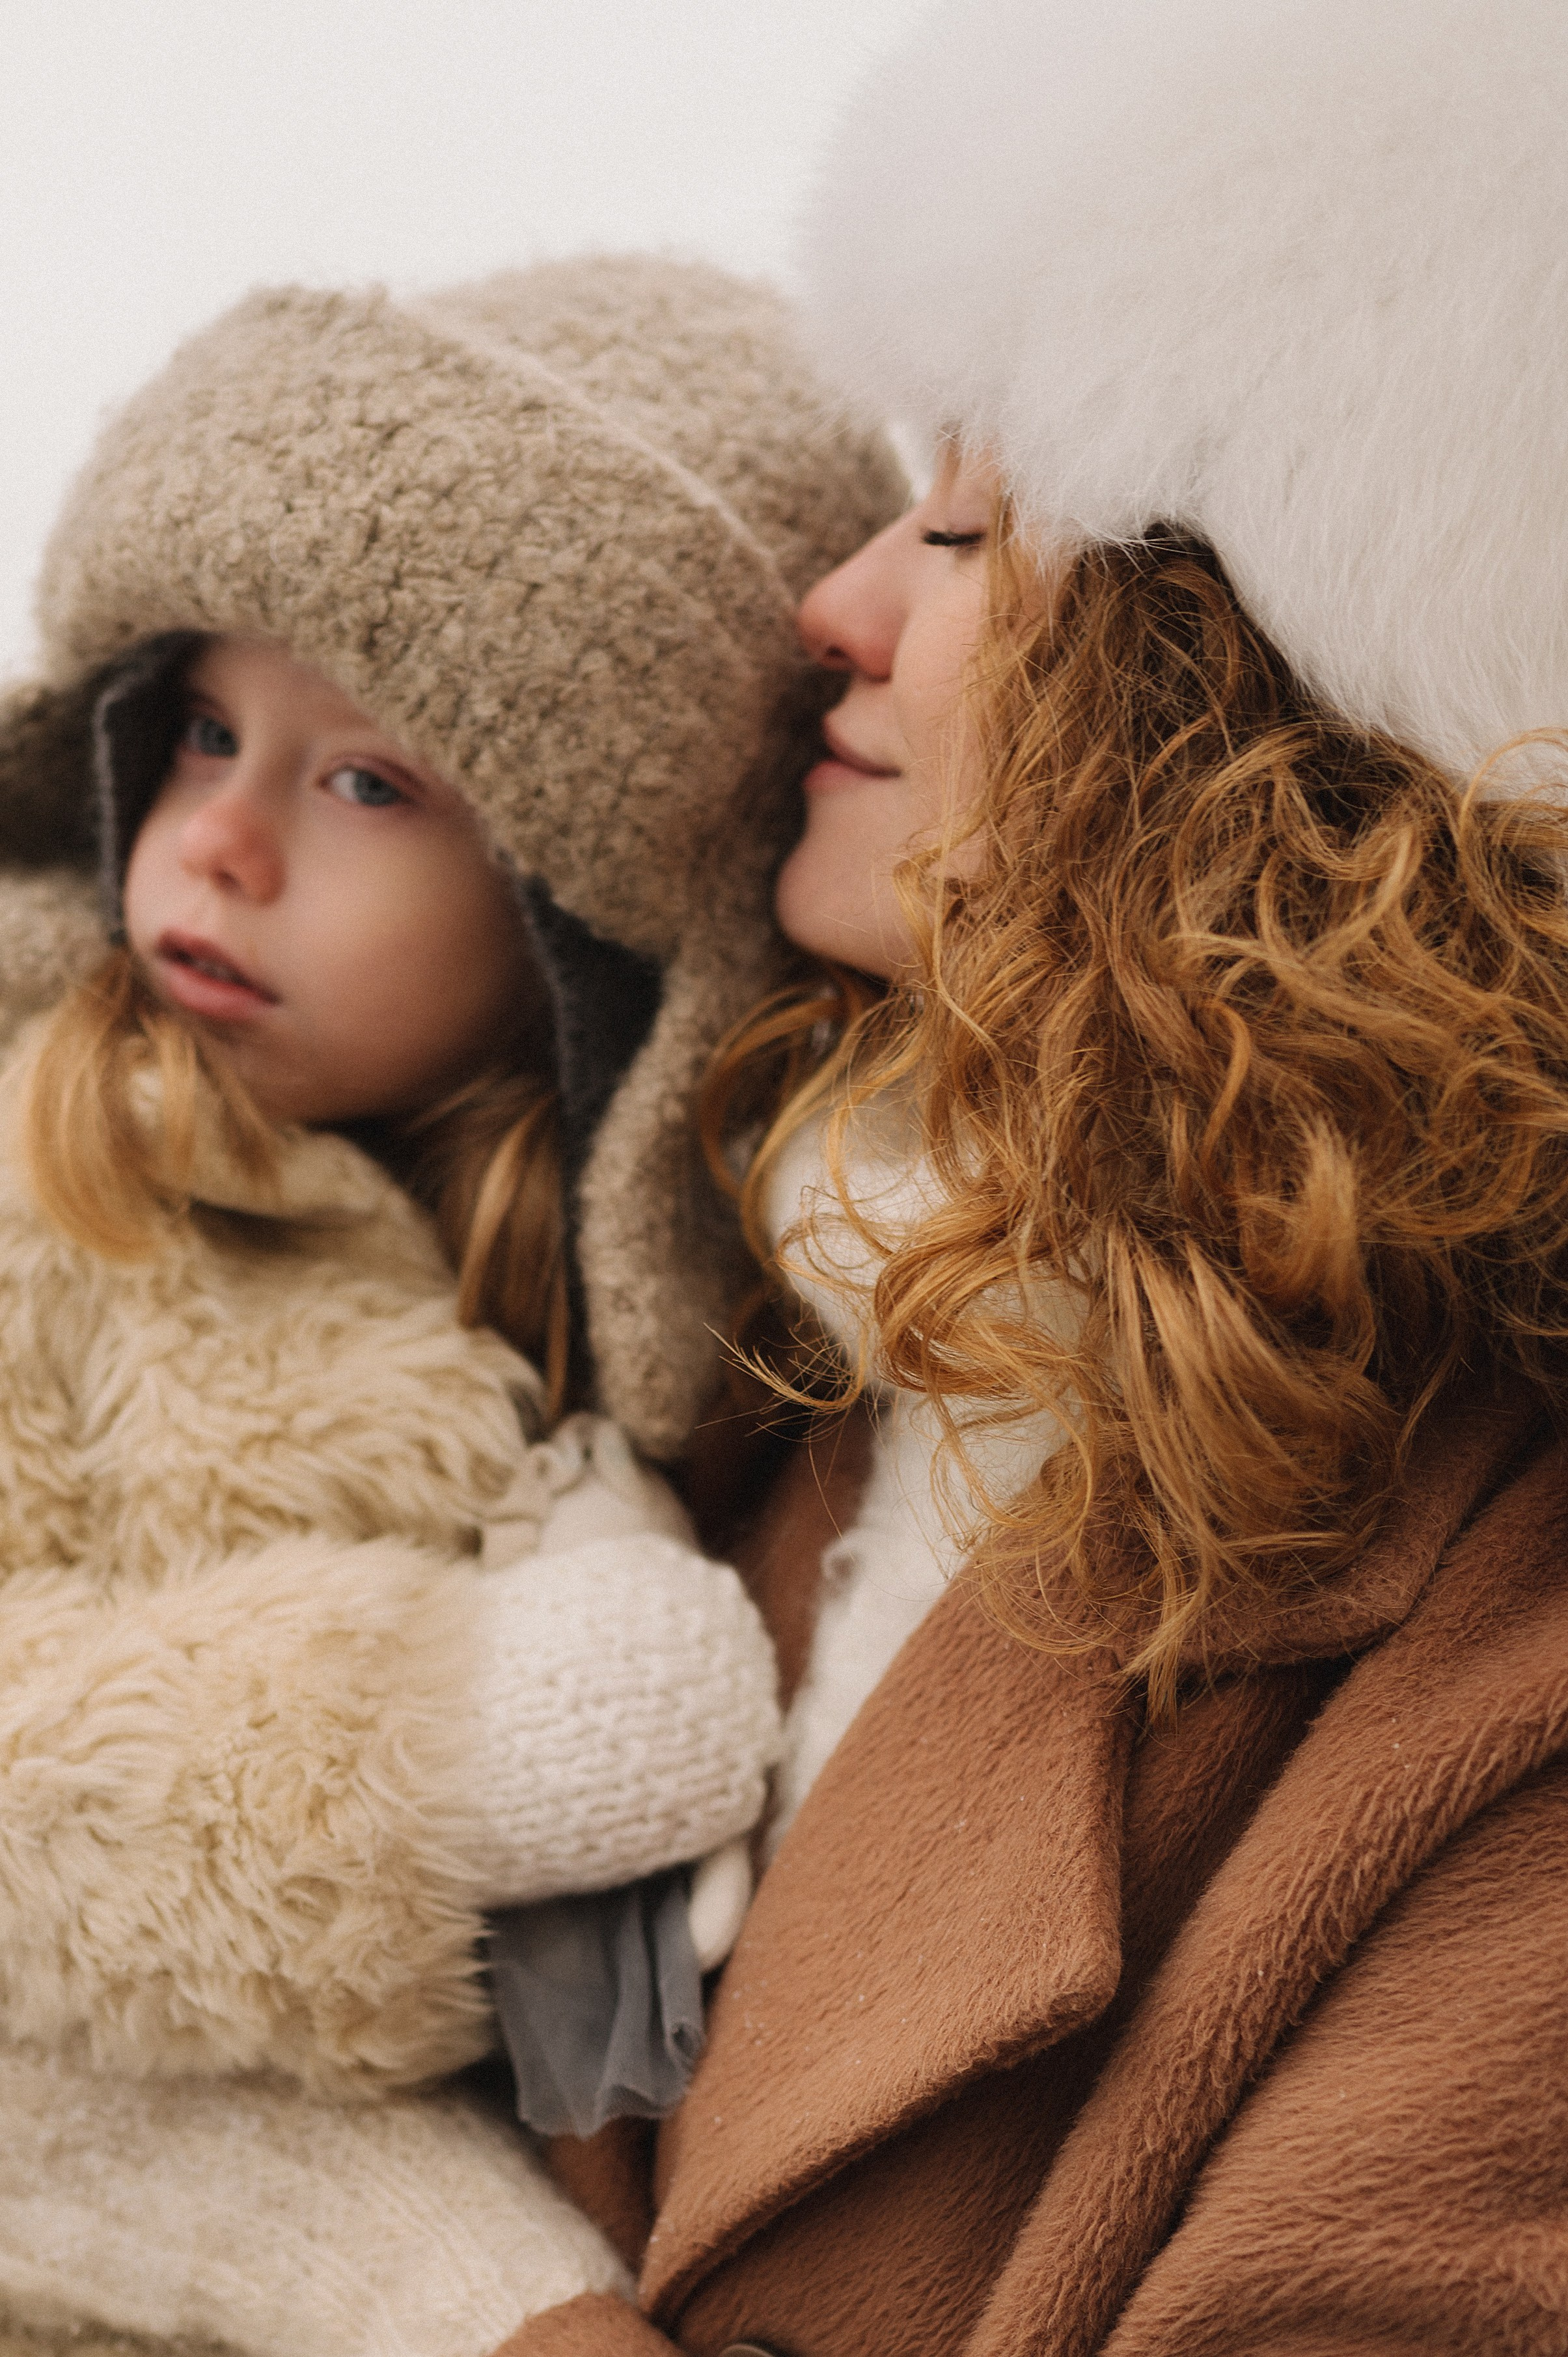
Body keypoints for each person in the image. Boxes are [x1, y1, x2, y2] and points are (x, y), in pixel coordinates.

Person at [500, 3, 1568, 2350]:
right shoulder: (757, 1328)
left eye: (968, 525)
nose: (838, 604)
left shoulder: (1507, 1663)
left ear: (1239, 709)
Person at [0, 259, 901, 2356]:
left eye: (368, 784)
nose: (217, 844)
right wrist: (440, 1752)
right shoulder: (55, 1173)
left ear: (575, 921)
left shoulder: (667, 1330)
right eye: (205, 730)